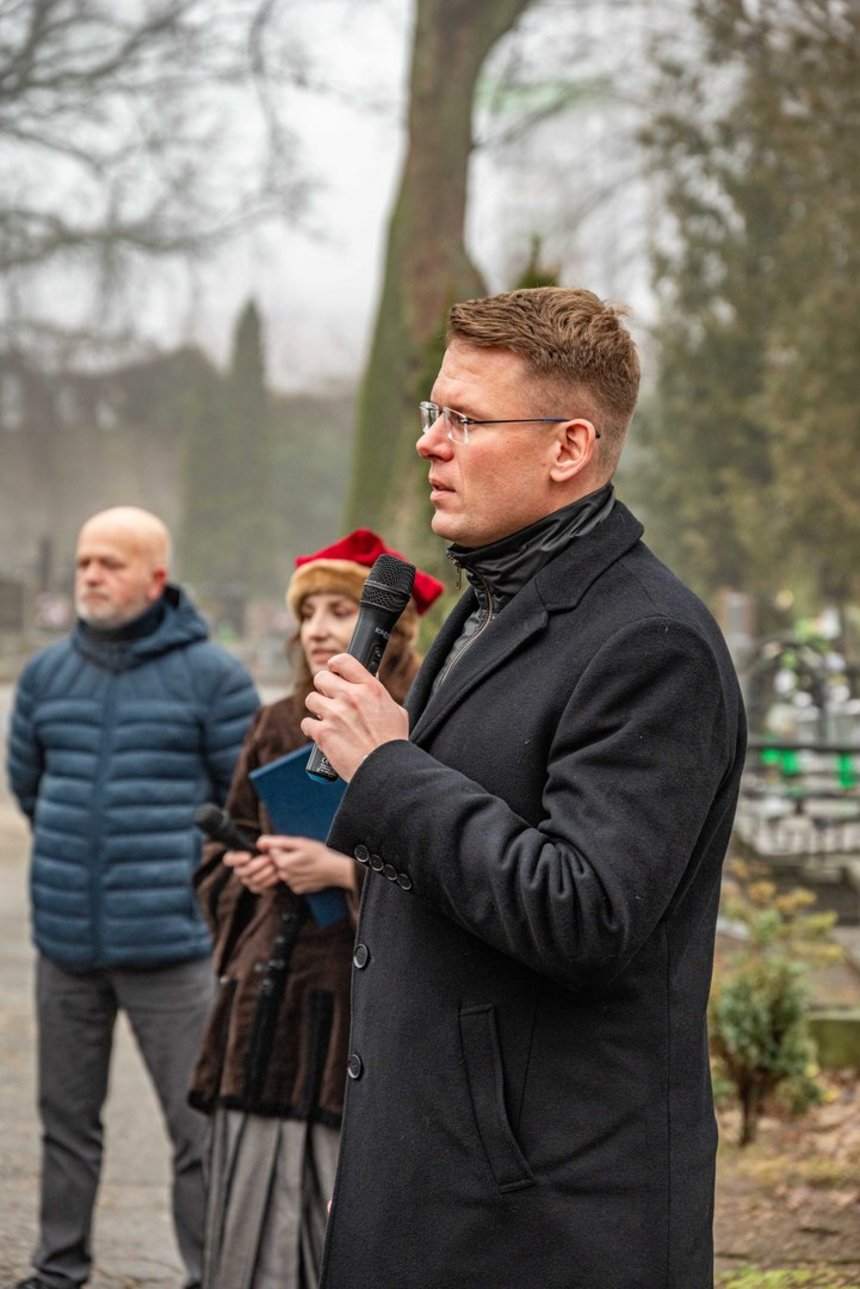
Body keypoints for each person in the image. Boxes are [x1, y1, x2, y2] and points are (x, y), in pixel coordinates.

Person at [301, 288, 747, 1289]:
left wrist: (386, 766)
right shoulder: (483, 602)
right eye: (432, 413)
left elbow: (585, 908)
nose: (431, 443)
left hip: (546, 1223)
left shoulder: (649, 642)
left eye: (463, 418)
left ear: (566, 447)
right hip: (433, 1187)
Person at [6, 506, 259, 1289]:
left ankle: (209, 1272)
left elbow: (241, 800)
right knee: (65, 1124)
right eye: (84, 561)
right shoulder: (47, 675)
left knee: (197, 1127)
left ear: (156, 578)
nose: (90, 575)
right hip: (66, 944)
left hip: (172, 946)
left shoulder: (214, 677)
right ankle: (57, 1268)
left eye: (110, 563)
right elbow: (28, 785)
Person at [188, 529, 443, 1289]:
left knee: (337, 1224)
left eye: (341, 609)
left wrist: (337, 869)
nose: (322, 627)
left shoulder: (420, 722)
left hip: (353, 1011)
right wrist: (249, 867)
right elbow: (218, 857)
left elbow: (443, 868)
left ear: (388, 627)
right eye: (310, 612)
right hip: (262, 1006)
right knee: (245, 1217)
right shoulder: (271, 723)